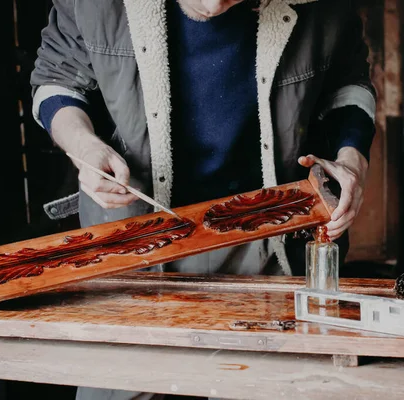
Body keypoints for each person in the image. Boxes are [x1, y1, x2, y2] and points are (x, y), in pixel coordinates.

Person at [31, 0, 375, 398]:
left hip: (272, 243)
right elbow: (56, 81)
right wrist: (83, 146)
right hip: (129, 244)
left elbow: (350, 85)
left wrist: (352, 160)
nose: (213, 5)